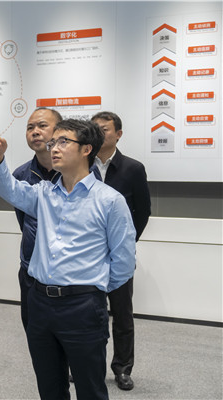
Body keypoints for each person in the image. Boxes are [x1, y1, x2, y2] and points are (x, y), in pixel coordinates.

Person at [0, 119, 136, 399]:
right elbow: (10, 190)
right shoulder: (44, 193)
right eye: (53, 142)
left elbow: (123, 263)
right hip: (39, 303)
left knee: (90, 389)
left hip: (83, 306)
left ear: (86, 149)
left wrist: (92, 289)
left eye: (63, 142)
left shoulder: (110, 201)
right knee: (50, 387)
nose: (53, 148)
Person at [91, 111, 151, 391]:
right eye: (94, 129)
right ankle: (88, 364)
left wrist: (126, 242)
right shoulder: (82, 164)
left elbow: (143, 211)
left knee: (122, 315)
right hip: (88, 255)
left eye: (104, 129)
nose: (99, 133)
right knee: (89, 314)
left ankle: (123, 369)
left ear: (118, 134)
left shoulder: (133, 168)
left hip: (119, 256)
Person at [12, 108, 63, 330]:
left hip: (68, 272)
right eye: (30, 127)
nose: (35, 132)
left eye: (42, 126)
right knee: (35, 332)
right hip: (31, 269)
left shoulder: (80, 171)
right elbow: (23, 220)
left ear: (60, 131)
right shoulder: (21, 174)